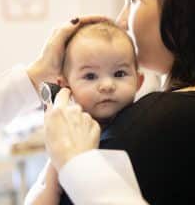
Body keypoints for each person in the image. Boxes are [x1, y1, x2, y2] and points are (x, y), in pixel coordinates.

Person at [32, 0, 195, 204]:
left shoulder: (142, 129)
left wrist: (71, 160)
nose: (120, 21)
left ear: (179, 7)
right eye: (89, 76)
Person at [25, 21, 144, 204]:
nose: (107, 85)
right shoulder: (68, 138)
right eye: (90, 76)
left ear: (138, 81)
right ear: (65, 86)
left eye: (119, 74)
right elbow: (40, 197)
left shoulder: (147, 125)